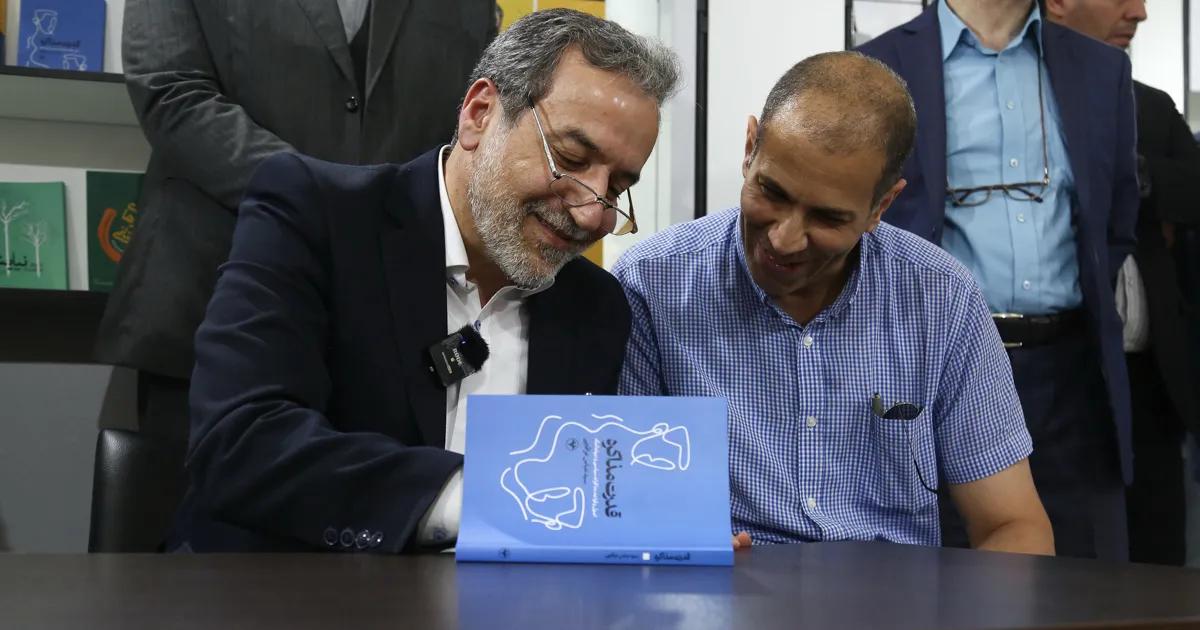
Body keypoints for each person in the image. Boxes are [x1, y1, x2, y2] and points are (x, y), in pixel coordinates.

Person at [171, 9, 680, 553]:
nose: (590, 213)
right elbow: (241, 443)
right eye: (572, 158)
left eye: (618, 185)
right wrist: (481, 500)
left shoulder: (596, 307)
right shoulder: (313, 215)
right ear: (480, 114)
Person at [615, 52, 1055, 555]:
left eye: (826, 218)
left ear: (881, 206)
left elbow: (1013, 526)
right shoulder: (651, 285)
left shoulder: (940, 298)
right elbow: (627, 511)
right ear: (749, 148)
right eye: (771, 193)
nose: (784, 238)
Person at [95, 0, 497, 450]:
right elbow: (172, 91)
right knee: (197, 511)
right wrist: (326, 197)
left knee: (388, 511)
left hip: (395, 335)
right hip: (207, 303)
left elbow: (477, 127)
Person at [858, 0, 1138, 560]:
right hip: (936, 374)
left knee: (1094, 592)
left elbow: (1116, 224)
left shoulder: (1102, 69)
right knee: (946, 588)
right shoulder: (876, 67)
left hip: (1072, 378)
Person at [1046, 0, 1200, 566]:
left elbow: (1193, 187)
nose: (1139, 12)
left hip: (1152, 386)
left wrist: (1124, 171)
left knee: (1160, 564)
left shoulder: (1151, 107)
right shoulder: (1021, 108)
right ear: (1057, 5)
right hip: (1057, 376)